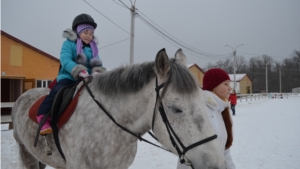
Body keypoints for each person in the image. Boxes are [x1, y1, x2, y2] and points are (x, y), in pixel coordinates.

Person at [36, 13, 105, 135]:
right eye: (86, 33)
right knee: (58, 91)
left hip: (88, 79)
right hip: (69, 76)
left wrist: (97, 72)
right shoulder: (68, 44)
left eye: (91, 34)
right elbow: (65, 60)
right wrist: (78, 70)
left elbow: (97, 63)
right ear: (78, 32)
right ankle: (43, 117)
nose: (89, 36)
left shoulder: (93, 48)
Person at [177, 68, 236, 169]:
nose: (230, 88)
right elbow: (189, 153)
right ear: (213, 87)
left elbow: (225, 151)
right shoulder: (199, 110)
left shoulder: (221, 110)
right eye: (226, 84)